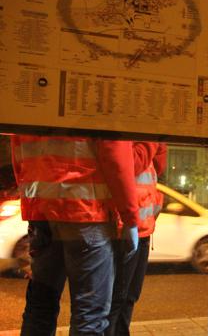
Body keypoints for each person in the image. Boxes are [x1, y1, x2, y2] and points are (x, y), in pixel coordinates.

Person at [11, 135, 139, 336]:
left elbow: (18, 157)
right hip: (85, 213)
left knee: (40, 305)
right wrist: (130, 217)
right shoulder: (98, 104)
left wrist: (33, 204)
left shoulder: (29, 107)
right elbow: (115, 154)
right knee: (90, 315)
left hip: (42, 211)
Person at [106, 142, 167, 336]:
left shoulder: (147, 140)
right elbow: (133, 164)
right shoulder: (128, 138)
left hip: (143, 229)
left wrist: (160, 138)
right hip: (123, 229)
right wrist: (152, 138)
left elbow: (159, 165)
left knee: (130, 297)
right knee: (117, 299)